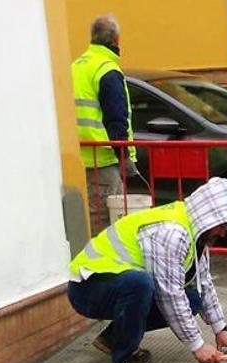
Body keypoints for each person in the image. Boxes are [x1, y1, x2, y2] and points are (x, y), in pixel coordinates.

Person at [68, 177, 227, 363]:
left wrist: (221, 330)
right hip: (88, 288)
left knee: (193, 299)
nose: (222, 232)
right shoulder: (172, 233)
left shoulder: (195, 234)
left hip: (113, 284)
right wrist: (197, 345)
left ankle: (113, 338)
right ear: (209, 216)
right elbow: (169, 294)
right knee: (140, 285)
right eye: (222, 226)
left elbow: (204, 283)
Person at [72, 14, 137, 231]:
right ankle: (104, 264)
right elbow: (116, 120)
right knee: (110, 223)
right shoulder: (106, 69)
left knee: (90, 219)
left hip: (78, 158)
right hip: (104, 159)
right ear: (116, 40)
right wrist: (124, 157)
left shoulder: (76, 66)